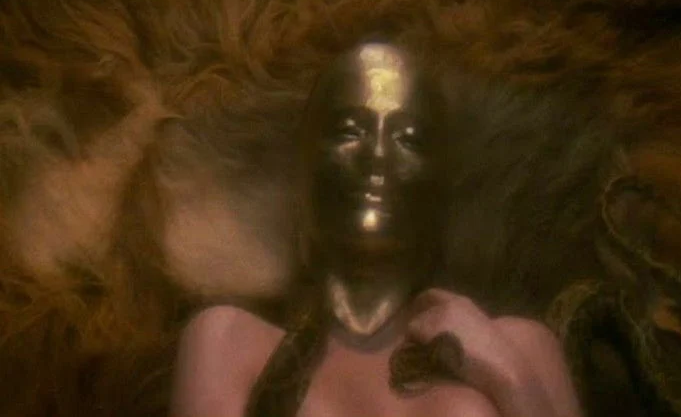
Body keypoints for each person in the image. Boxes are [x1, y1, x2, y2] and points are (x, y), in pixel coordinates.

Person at [169, 41, 583, 417]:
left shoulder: (517, 346)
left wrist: (506, 374)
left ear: (440, 181)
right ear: (308, 166)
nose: (378, 156)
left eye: (409, 139)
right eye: (350, 131)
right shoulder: (231, 340)